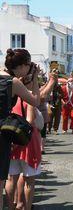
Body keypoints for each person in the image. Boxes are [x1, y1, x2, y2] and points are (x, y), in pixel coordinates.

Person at [0, 49, 40, 210]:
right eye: (28, 65)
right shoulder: (12, 83)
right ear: (23, 66)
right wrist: (35, 78)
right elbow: (35, 100)